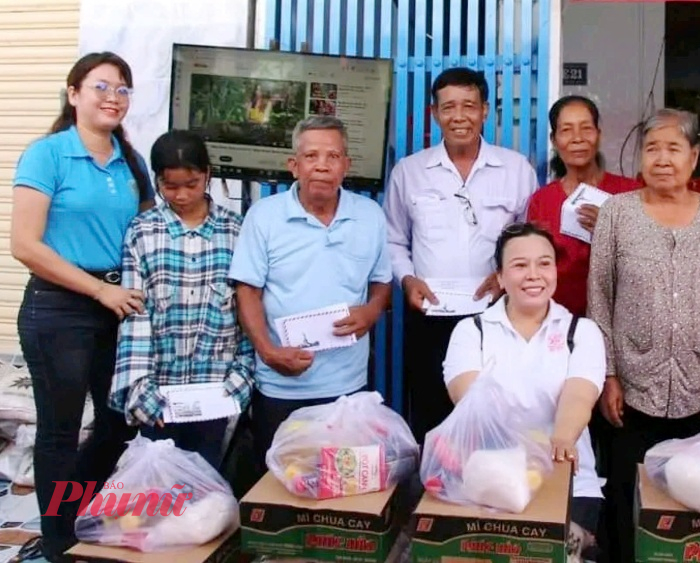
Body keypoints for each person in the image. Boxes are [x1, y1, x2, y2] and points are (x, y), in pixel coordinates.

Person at [10, 51, 154, 562]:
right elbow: (25, 245)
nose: (113, 97)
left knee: (120, 421)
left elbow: (147, 232)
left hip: (118, 305)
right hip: (59, 307)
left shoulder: (131, 161)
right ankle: (57, 542)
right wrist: (97, 290)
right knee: (60, 429)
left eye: (122, 89)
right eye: (101, 86)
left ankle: (77, 509)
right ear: (73, 93)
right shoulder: (47, 155)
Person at [587, 108, 700, 561]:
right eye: (652, 149)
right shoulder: (617, 212)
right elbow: (599, 296)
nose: (662, 159)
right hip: (632, 387)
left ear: (694, 158)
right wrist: (608, 375)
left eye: (674, 148)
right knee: (625, 494)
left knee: (693, 496)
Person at [383, 67, 539, 442]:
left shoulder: (516, 169)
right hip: (429, 317)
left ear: (485, 111)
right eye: (448, 107)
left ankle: (490, 491)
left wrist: (505, 278)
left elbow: (531, 240)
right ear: (434, 114)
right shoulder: (410, 172)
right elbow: (392, 240)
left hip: (497, 317)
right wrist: (408, 280)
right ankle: (432, 493)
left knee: (495, 417)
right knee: (432, 416)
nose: (459, 116)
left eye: (469, 106)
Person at [229, 116, 391, 473]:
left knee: (340, 481)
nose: (322, 165)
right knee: (281, 482)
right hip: (281, 384)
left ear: (346, 165)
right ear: (294, 165)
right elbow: (248, 290)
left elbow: (382, 282)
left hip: (347, 384)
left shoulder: (370, 216)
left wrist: (372, 311)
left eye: (333, 156)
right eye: (311, 155)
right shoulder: (264, 217)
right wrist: (269, 352)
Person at [443, 222, 603, 560]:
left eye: (544, 263)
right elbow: (470, 400)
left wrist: (561, 438)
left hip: (570, 479)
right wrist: (522, 456)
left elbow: (580, 394)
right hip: (486, 479)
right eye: (519, 265)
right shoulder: (472, 331)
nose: (534, 274)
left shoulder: (581, 331)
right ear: (500, 278)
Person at [109, 130, 255, 469]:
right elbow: (135, 318)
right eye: (170, 186)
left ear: (208, 174)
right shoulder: (143, 232)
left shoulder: (237, 231)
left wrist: (240, 382)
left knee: (206, 491)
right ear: (157, 180)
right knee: (158, 491)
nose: (182, 195)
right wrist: (142, 390)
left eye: (192, 184)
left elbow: (248, 314)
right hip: (160, 394)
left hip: (217, 390)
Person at [526, 95, 641, 318]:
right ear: (554, 139)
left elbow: (651, 256)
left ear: (599, 135)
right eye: (566, 130)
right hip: (559, 320)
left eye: (586, 128)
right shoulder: (542, 200)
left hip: (623, 319)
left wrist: (610, 230)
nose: (577, 138)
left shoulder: (631, 193)